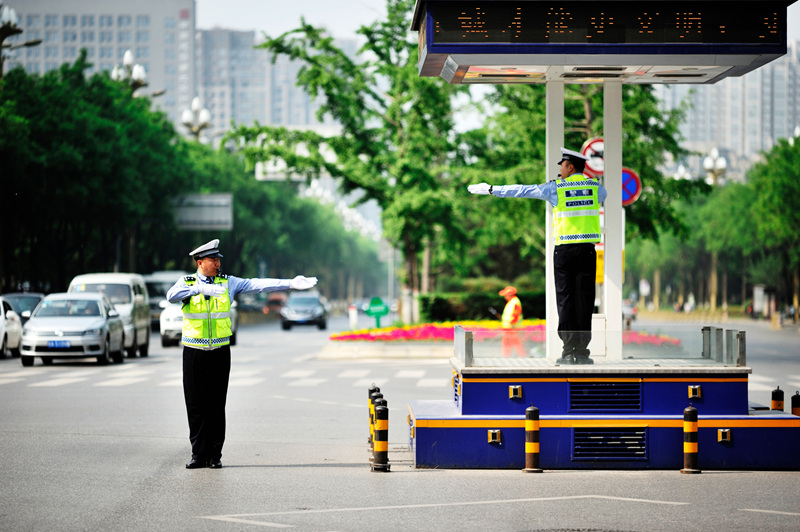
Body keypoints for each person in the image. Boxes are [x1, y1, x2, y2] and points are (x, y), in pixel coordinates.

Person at [166, 239, 318, 469]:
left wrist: (289, 283)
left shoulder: (228, 282)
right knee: (195, 405)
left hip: (219, 352)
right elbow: (171, 296)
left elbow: (257, 284)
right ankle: (198, 454)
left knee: (216, 405)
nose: (218, 264)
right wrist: (197, 289)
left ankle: (214, 455)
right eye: (213, 260)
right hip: (194, 352)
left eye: (218, 260)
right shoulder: (186, 282)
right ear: (200, 262)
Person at [468, 147, 607, 364]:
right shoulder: (596, 187)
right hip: (587, 251)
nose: (560, 170)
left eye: (562, 166)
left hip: (565, 251)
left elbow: (524, 190)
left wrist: (493, 189)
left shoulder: (556, 188)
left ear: (570, 167)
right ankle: (582, 352)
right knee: (585, 300)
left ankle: (568, 351)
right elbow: (602, 197)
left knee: (566, 300)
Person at [498, 286, 525, 357]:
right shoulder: (511, 302)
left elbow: (516, 315)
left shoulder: (515, 302)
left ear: (510, 295)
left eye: (506, 295)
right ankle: (506, 356)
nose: (505, 297)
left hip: (512, 328)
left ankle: (522, 356)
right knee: (508, 343)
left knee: (515, 343)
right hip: (509, 327)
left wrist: (512, 323)